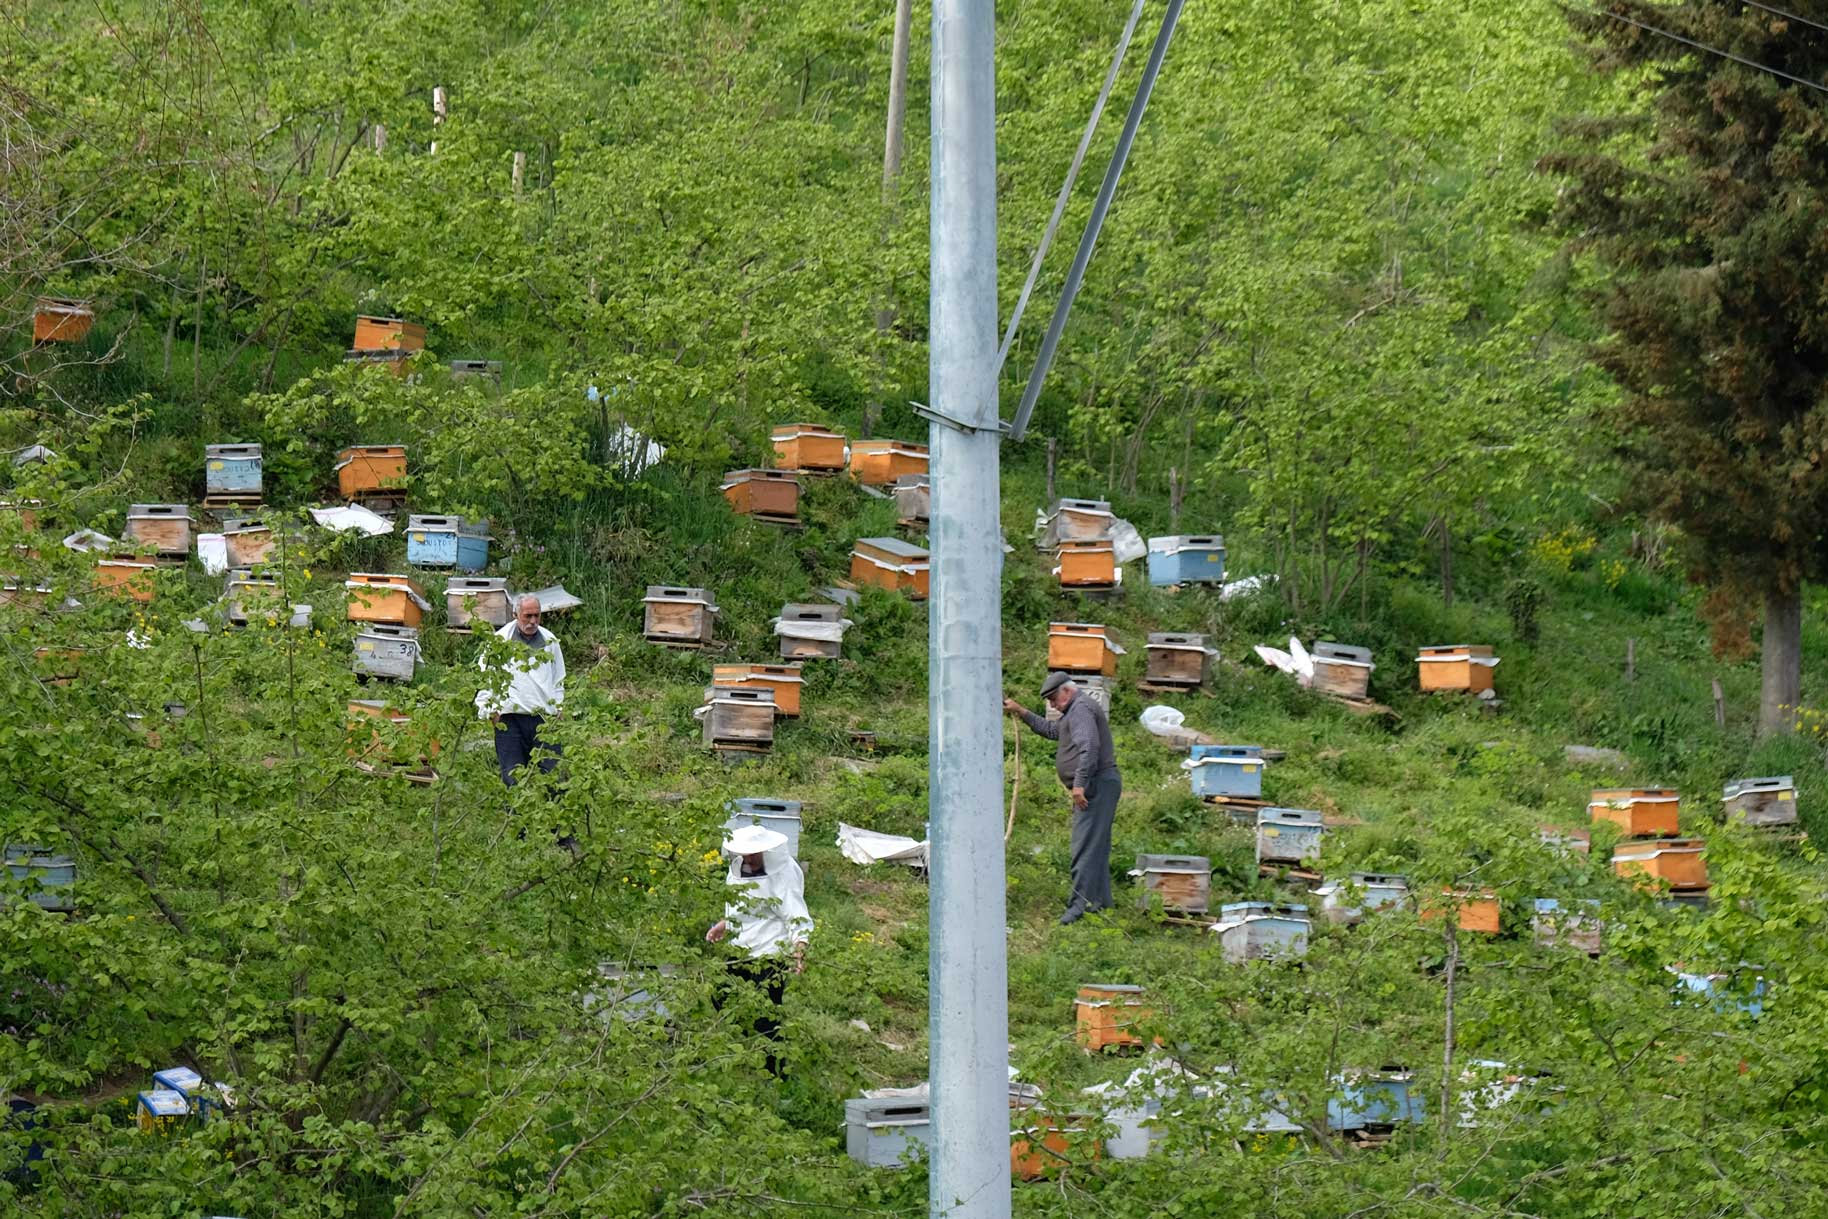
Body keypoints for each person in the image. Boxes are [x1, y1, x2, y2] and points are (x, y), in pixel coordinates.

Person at [1004, 671, 1121, 924]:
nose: (1052, 705)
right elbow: (1052, 730)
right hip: (1099, 783)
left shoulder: (1080, 710)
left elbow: (1089, 746)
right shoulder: (1075, 711)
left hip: (1095, 785)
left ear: (1067, 691)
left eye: (1054, 700)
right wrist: (1021, 711)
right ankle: (1100, 903)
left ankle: (1078, 907)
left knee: (1084, 847)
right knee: (1095, 846)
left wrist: (1079, 785)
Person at [706, 824, 811, 1076]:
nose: (750, 858)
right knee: (720, 995)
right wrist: (725, 924)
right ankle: (737, 1053)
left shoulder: (782, 873)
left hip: (771, 953)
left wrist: (799, 949)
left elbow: (796, 915)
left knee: (767, 1015)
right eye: (746, 853)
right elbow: (740, 906)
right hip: (740, 948)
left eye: (755, 853)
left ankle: (775, 1072)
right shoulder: (737, 870)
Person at [475, 594, 566, 789]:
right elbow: (485, 680)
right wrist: (490, 712)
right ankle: (514, 819)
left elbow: (558, 679)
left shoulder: (550, 641)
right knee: (513, 777)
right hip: (509, 720)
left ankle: (549, 818)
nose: (533, 621)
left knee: (553, 777)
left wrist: (558, 708)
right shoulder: (499, 642)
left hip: (544, 718)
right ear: (515, 614)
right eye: (528, 616)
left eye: (537, 616)